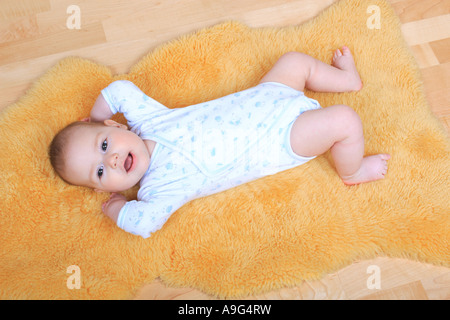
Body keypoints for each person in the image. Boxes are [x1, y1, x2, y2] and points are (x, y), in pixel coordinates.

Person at [49, 47, 390, 238]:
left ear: (113, 125)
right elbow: (143, 223)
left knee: (294, 61)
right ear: (101, 188)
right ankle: (354, 169)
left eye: (104, 145)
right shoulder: (160, 188)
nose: (110, 161)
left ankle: (348, 79)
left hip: (267, 96)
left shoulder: (148, 122)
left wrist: (93, 119)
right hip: (280, 139)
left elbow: (120, 91)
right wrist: (116, 210)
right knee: (344, 121)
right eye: (98, 172)